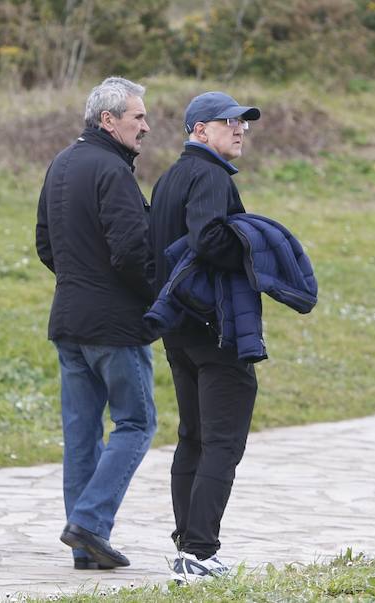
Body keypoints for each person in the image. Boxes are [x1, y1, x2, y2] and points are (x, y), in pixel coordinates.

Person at [35, 76, 158, 570]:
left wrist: (79, 280)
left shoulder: (60, 164)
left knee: (82, 434)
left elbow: (45, 244)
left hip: (69, 320)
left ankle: (85, 546)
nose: (146, 127)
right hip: (114, 325)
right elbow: (132, 250)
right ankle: (89, 522)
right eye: (139, 117)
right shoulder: (112, 170)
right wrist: (160, 298)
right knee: (136, 421)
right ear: (108, 120)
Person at [148, 91, 261, 582]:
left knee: (192, 437)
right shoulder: (210, 175)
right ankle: (199, 550)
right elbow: (209, 239)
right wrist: (256, 247)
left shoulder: (171, 176)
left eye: (243, 123)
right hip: (216, 331)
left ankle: (187, 546)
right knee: (222, 442)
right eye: (228, 122)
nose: (238, 129)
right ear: (199, 131)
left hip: (182, 331)